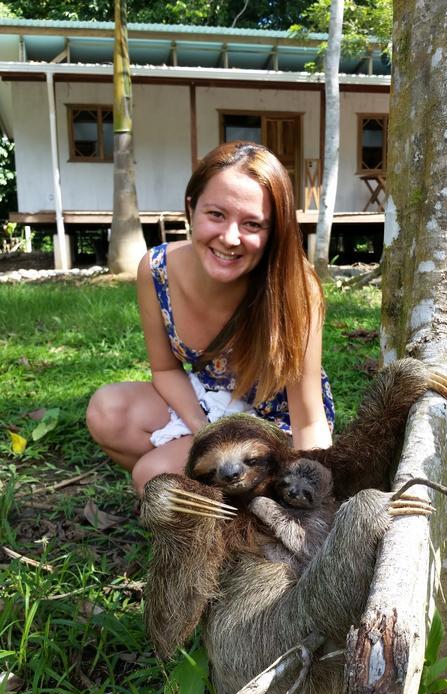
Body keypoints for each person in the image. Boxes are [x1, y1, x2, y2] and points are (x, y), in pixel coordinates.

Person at [86, 142, 335, 494]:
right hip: (207, 401)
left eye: (252, 224)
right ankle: (219, 500)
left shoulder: (296, 286)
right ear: (192, 208)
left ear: (272, 232)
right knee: (107, 411)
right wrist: (206, 434)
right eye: (216, 214)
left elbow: (308, 417)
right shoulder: (156, 270)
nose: (230, 238)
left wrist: (314, 490)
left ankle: (245, 506)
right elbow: (165, 370)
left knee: (152, 478)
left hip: (273, 422)